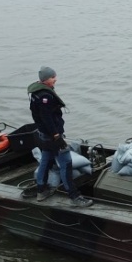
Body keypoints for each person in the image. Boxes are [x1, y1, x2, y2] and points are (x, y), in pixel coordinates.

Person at [25, 66, 91, 207]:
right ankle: (74, 196)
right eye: (52, 77)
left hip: (44, 135)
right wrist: (57, 136)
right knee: (66, 164)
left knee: (45, 161)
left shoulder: (35, 93)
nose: (55, 79)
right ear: (45, 79)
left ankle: (41, 190)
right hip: (52, 136)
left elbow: (37, 116)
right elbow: (47, 117)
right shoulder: (45, 96)